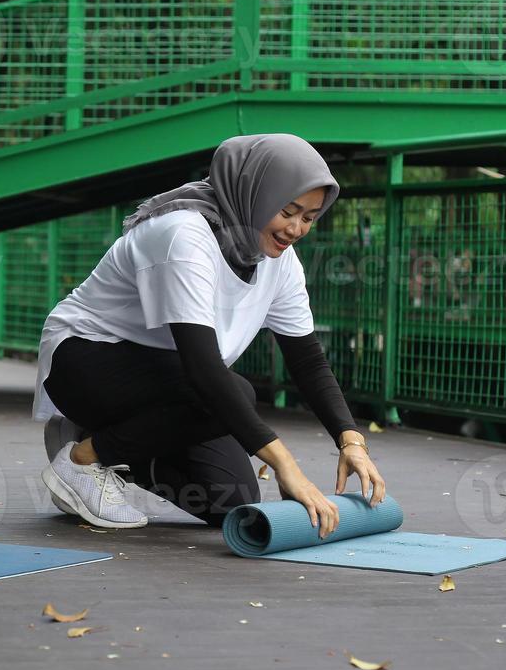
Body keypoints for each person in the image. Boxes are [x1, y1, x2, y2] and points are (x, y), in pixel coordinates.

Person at [33, 133, 385, 533]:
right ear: (257, 193)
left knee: (230, 500)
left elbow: (307, 358)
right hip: (86, 360)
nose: (297, 228)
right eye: (288, 210)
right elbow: (203, 369)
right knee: (239, 392)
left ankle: (101, 439)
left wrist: (350, 440)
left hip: (168, 384)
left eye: (309, 217)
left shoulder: (276, 259)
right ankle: (83, 459)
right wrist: (285, 464)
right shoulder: (184, 233)